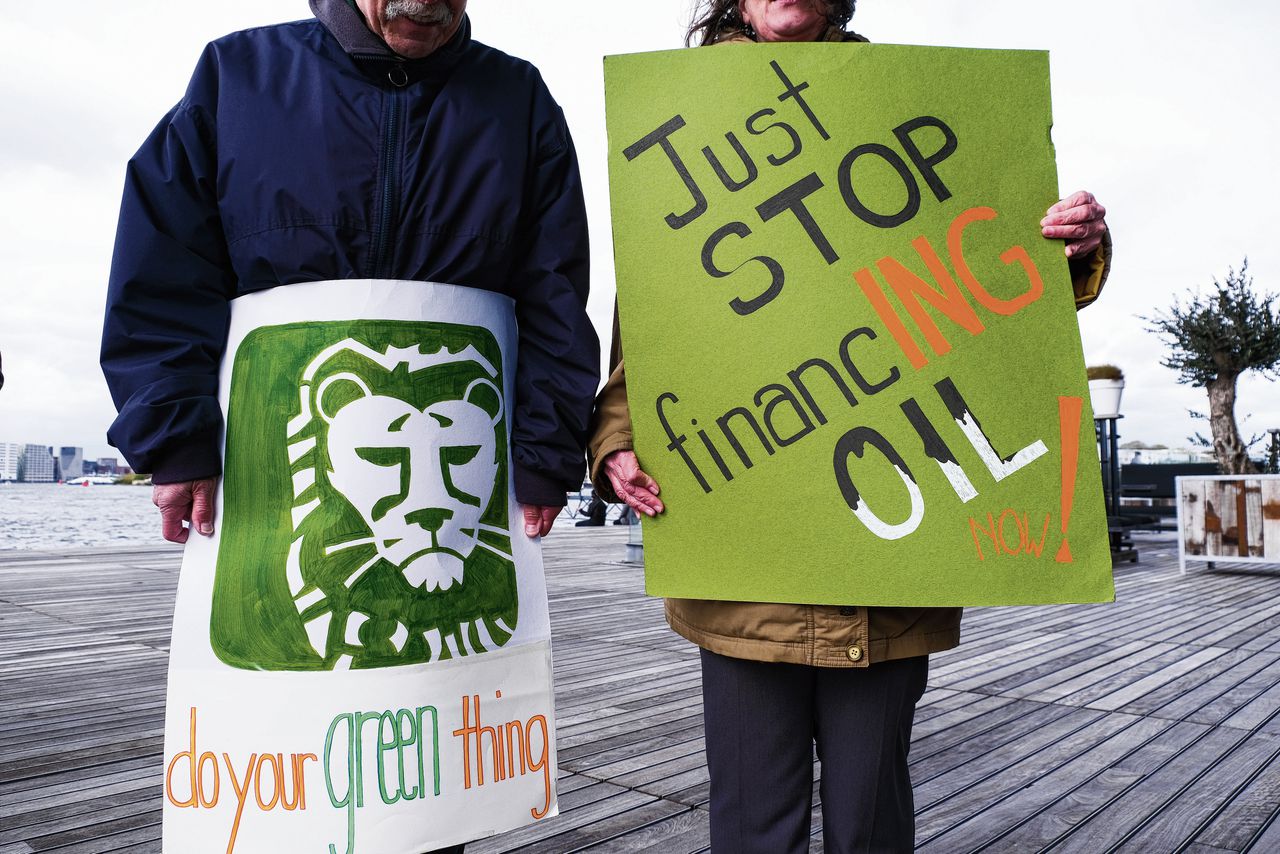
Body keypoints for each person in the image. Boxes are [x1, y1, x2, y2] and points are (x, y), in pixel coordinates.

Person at [587, 1, 1112, 852]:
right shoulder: (678, 123)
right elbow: (649, 328)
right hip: (742, 564)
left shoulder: (923, 104)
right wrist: (615, 442)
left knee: (872, 820)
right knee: (755, 819)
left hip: (890, 563)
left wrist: (1073, 245)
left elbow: (996, 274)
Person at [101, 1, 598, 851]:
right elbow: (164, 269)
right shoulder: (236, 78)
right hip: (269, 493)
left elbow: (555, 292)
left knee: (430, 781)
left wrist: (547, 451)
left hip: (457, 492)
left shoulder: (519, 101)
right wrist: (174, 437)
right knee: (282, 766)